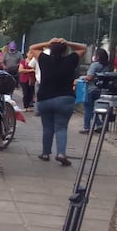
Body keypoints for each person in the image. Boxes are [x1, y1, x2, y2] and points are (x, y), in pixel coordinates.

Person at [29, 37, 87, 166]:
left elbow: (32, 47)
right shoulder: (71, 59)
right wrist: (68, 42)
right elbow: (83, 48)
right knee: (61, 127)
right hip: (65, 98)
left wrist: (48, 42)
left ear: (50, 49)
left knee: (47, 127)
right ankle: (61, 153)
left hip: (45, 98)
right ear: (65, 50)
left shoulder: (44, 59)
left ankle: (45, 153)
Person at [80, 48, 110, 134]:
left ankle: (87, 127)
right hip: (99, 90)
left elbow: (90, 77)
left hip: (90, 89)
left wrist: (81, 78)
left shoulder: (95, 65)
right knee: (94, 108)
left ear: (98, 56)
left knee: (88, 109)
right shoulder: (106, 66)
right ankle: (99, 124)